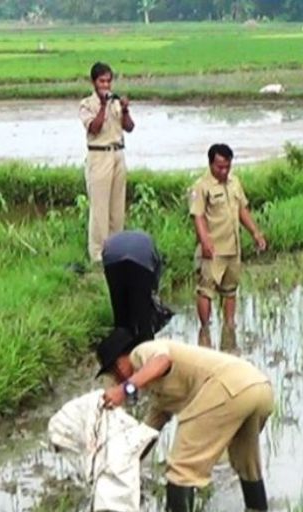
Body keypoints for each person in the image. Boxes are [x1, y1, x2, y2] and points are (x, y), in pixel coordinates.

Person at [95, 327, 274, 512]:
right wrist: (123, 466)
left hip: (229, 388)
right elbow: (147, 433)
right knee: (247, 464)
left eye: (114, 373)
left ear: (121, 361)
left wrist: (125, 389)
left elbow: (162, 362)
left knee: (181, 468)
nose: (116, 379)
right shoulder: (160, 394)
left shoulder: (142, 352)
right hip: (260, 389)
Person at [189, 143, 267, 330]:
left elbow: (242, 210)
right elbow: (197, 215)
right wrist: (205, 241)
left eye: (227, 166)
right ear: (210, 164)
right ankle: (205, 329)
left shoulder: (235, 182)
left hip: (233, 247)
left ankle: (229, 327)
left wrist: (255, 233)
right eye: (220, 167)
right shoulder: (201, 186)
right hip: (213, 249)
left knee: (230, 291)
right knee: (206, 290)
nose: (224, 171)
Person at [79, 62, 135, 266]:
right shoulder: (87, 104)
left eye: (108, 81)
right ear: (94, 82)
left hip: (117, 154)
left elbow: (129, 128)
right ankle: (97, 255)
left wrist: (126, 110)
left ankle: (116, 250)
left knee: (117, 207)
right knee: (99, 207)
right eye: (102, 81)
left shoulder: (116, 102)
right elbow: (94, 128)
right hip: (99, 155)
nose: (106, 85)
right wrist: (103, 105)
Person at [102, 230, 170, 344]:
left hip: (111, 258)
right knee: (143, 314)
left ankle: (120, 349)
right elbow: (153, 283)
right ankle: (146, 346)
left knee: (120, 311)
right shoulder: (152, 249)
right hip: (141, 261)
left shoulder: (115, 240)